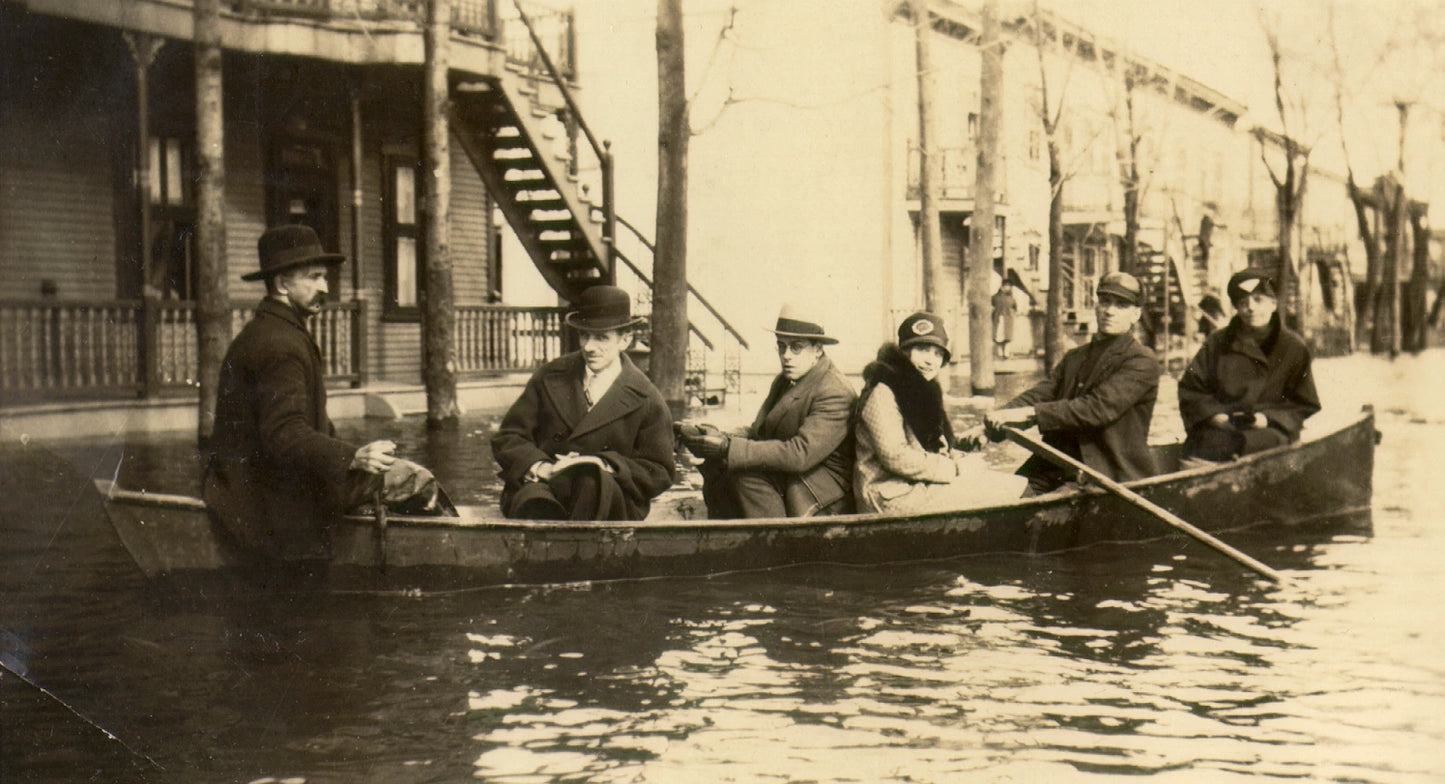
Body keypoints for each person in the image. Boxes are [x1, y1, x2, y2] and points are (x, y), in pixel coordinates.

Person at [204, 224, 441, 563]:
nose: (325, 288)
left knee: (393, 476)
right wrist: (353, 458)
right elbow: (284, 434)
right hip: (267, 498)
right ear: (282, 284)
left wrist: (349, 457)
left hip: (254, 485)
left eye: (324, 278)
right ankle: (436, 559)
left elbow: (306, 429)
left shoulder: (272, 331)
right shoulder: (279, 344)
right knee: (417, 480)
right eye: (314, 278)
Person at [491, 285, 676, 521]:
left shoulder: (646, 397)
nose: (589, 347)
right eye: (584, 335)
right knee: (534, 501)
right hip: (545, 487)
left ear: (625, 340)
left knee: (591, 484)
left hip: (608, 497)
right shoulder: (549, 376)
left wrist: (602, 464)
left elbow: (659, 471)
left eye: (601, 338)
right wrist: (541, 467)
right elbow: (509, 437)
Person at [985, 271, 1159, 496]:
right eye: (1105, 302)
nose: (1110, 311)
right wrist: (991, 425)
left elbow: (1096, 408)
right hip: (1053, 464)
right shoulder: (1075, 357)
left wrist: (1031, 414)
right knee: (1001, 497)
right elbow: (1040, 394)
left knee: (1027, 510)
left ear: (1136, 314)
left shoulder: (1141, 360)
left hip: (1105, 472)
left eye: (1121, 305)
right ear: (1097, 306)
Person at [678, 305, 857, 518]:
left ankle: (775, 536)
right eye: (781, 346)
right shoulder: (785, 381)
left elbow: (799, 454)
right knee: (720, 465)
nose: (786, 356)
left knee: (745, 474)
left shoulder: (835, 391)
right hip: (793, 474)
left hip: (824, 489)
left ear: (817, 350)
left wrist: (727, 448)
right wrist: (715, 436)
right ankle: (730, 531)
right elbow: (759, 432)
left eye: (796, 347)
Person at [854, 312, 1020, 514]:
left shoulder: (919, 390)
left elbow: (928, 446)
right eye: (923, 350)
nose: (930, 361)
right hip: (886, 495)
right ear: (905, 352)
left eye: (938, 354)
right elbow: (895, 456)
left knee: (1005, 484)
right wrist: (954, 468)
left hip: (912, 485)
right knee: (1006, 490)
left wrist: (957, 453)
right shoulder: (884, 393)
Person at [1177, 269, 1320, 464]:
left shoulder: (1294, 347)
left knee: (1255, 444)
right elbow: (1191, 389)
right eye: (1243, 303)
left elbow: (1304, 403)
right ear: (1237, 309)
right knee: (1204, 445)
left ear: (1273, 304)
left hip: (1271, 430)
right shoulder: (1217, 343)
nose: (1251, 308)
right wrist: (1215, 417)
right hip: (1222, 426)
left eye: (1258, 300)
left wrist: (1267, 419)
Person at [992, 281, 1017, 359]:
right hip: (998, 319)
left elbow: (1015, 308)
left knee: (1007, 337)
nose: (1008, 288)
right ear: (1002, 287)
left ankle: (1006, 353)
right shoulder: (995, 297)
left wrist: (1011, 313)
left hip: (1008, 319)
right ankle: (1000, 353)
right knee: (999, 336)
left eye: (1009, 286)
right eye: (1006, 286)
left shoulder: (1011, 298)